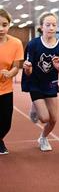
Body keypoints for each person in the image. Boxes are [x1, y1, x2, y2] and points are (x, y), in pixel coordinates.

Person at [22, 12, 59, 152]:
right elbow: (28, 72)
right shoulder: (33, 45)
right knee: (44, 118)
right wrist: (28, 68)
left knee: (54, 119)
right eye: (48, 24)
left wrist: (58, 67)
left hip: (51, 84)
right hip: (35, 83)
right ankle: (35, 105)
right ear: (41, 27)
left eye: (54, 25)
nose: (51, 27)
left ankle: (43, 138)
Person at [0, 9, 24, 155]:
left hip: (6, 88)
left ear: (9, 25)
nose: (1, 28)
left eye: (4, 24)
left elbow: (16, 67)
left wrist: (10, 73)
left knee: (6, 123)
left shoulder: (16, 43)